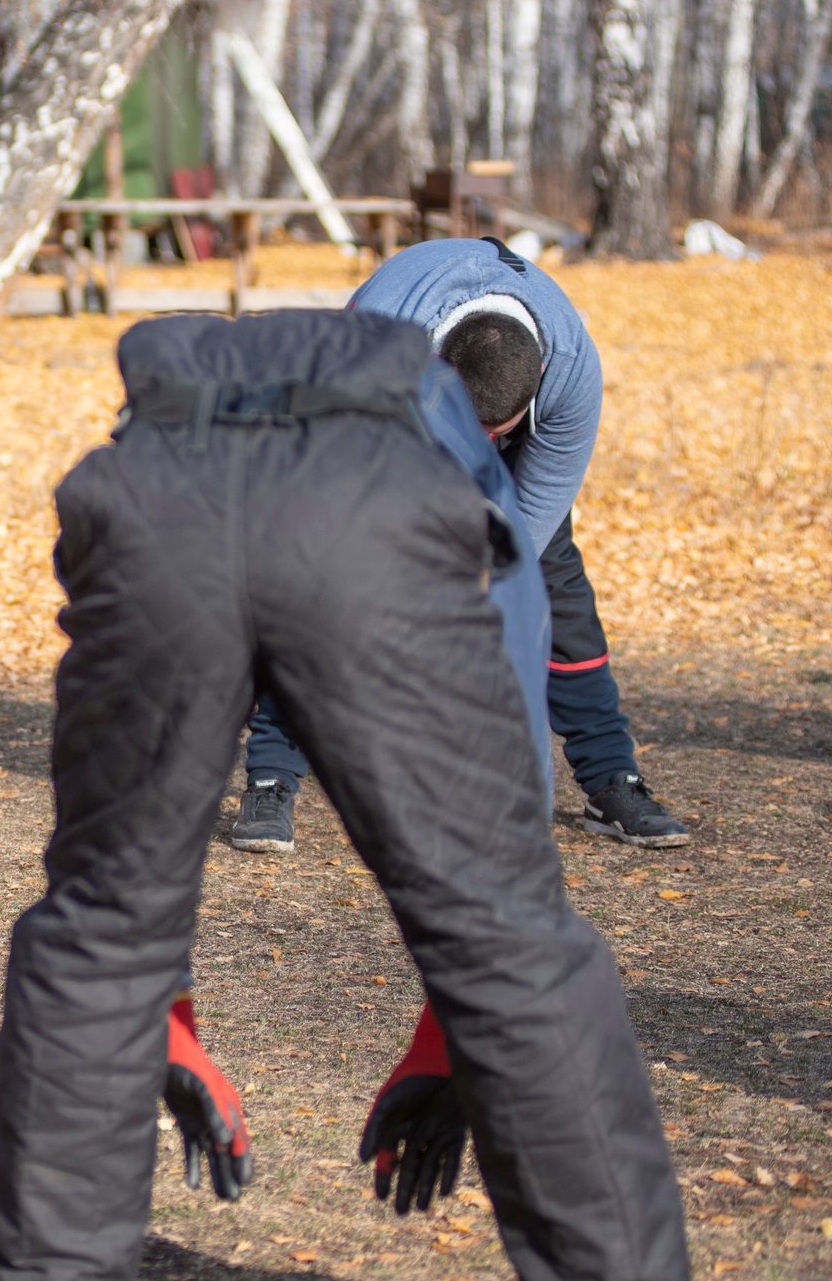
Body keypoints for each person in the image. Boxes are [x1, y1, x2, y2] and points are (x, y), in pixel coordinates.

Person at [0, 312, 719, 1281]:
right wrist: (457, 1011)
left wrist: (155, 1011)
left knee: (100, 911)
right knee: (506, 928)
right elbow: (514, 675)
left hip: (152, 499)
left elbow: (116, 846)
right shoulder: (449, 435)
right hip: (371, 517)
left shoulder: (172, 417)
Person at [228, 236, 688, 854]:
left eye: (489, 434)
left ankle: (611, 778)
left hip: (494, 421)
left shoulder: (571, 373)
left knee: (554, 588)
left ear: (535, 387)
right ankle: (271, 776)